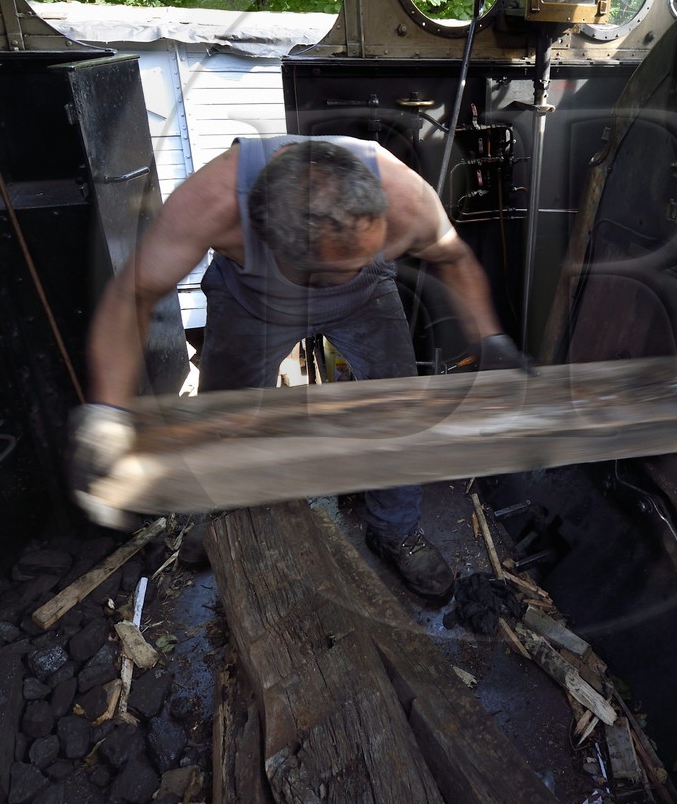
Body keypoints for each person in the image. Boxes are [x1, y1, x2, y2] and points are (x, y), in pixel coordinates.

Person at [70, 135, 526, 604]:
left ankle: (395, 529)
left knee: (401, 410)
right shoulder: (213, 201)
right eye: (332, 273)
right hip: (253, 299)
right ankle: (228, 514)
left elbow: (454, 257)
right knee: (226, 417)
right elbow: (132, 295)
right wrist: (107, 414)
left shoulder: (406, 197)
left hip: (367, 299)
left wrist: (491, 340)